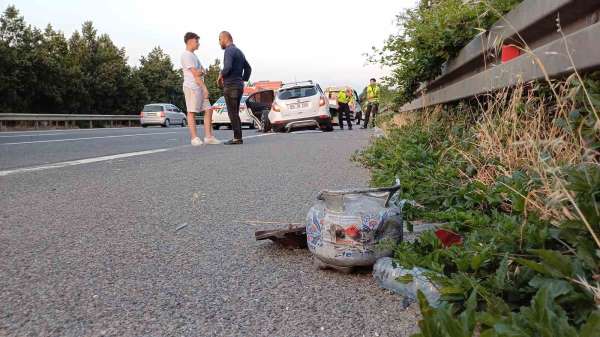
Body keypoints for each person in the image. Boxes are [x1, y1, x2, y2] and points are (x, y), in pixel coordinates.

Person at [181, 32, 220, 145]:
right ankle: (194, 138)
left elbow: (203, 70)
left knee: (208, 109)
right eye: (196, 41)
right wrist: (204, 88)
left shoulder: (194, 56)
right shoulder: (186, 55)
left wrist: (201, 72)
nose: (198, 44)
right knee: (192, 111)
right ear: (190, 41)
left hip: (199, 86)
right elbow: (196, 74)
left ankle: (208, 137)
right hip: (192, 87)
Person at [217, 31, 252, 145]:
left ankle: (237, 138)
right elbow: (248, 68)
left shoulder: (229, 50)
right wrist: (242, 79)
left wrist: (220, 75)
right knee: (235, 112)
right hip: (239, 86)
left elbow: (227, 67)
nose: (219, 42)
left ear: (224, 39)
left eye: (219, 40)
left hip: (231, 86)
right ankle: (238, 137)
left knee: (232, 113)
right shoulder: (239, 52)